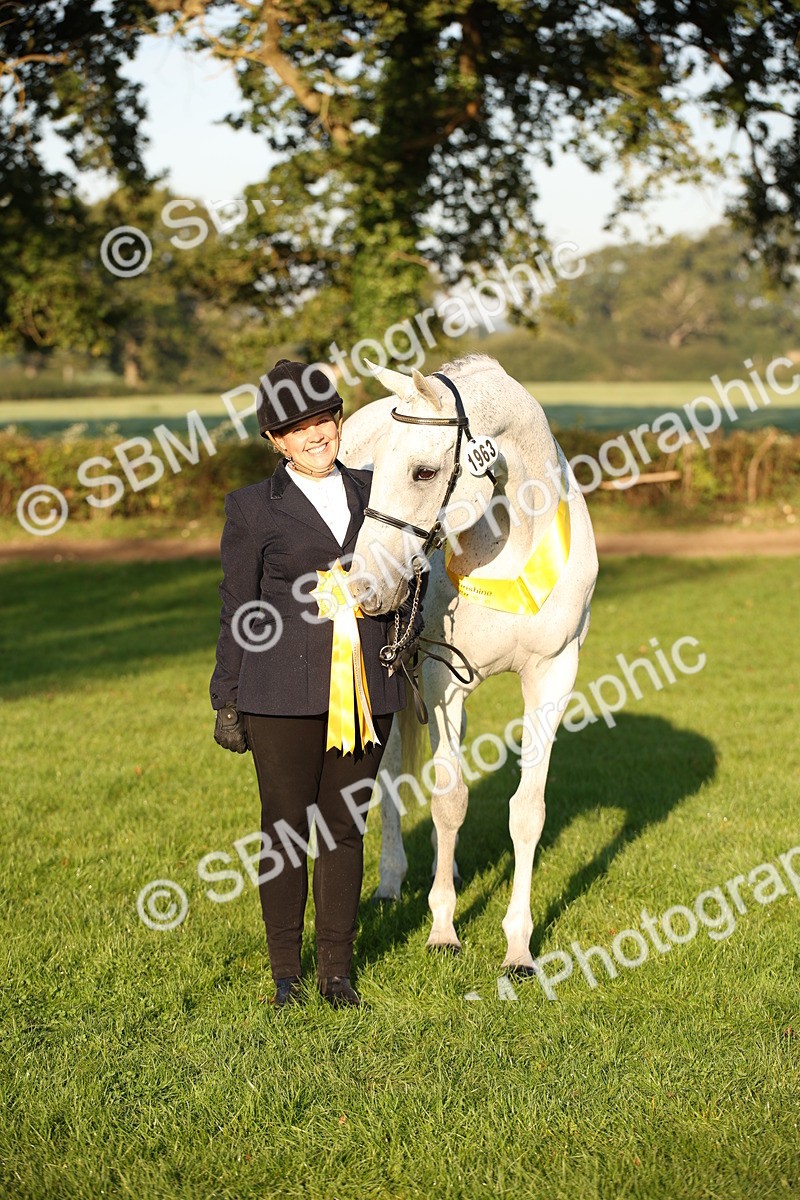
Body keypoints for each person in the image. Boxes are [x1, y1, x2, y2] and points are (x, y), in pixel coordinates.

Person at [210, 360, 424, 1009]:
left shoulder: (375, 491)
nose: (315, 434)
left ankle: (337, 972)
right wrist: (227, 695)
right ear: (276, 440)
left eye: (323, 419)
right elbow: (236, 603)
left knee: (343, 828)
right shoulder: (251, 508)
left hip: (366, 688)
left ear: (337, 421)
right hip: (278, 694)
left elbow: (410, 570)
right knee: (283, 830)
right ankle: (285, 975)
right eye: (297, 427)